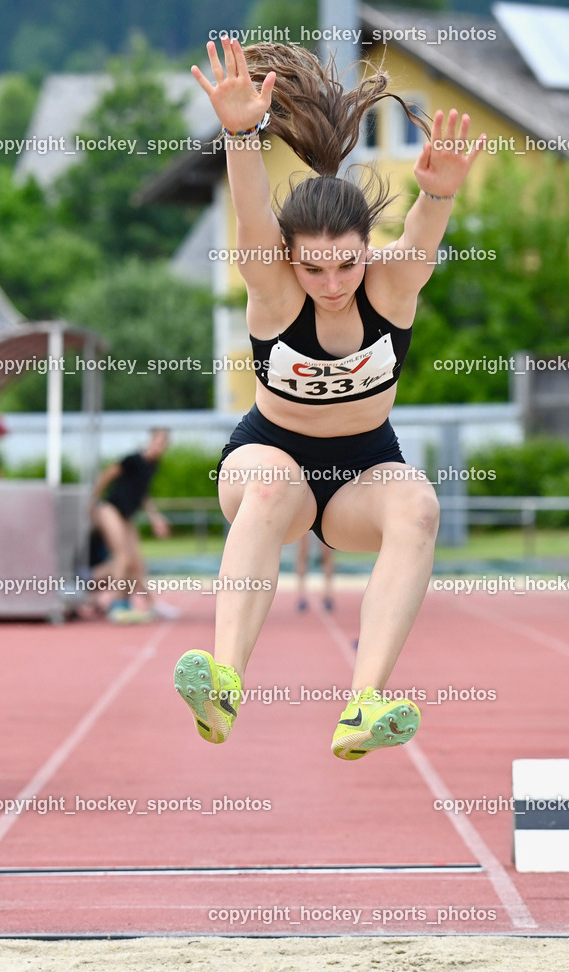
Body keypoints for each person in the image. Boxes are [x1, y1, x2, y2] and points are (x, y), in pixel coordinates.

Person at [174, 39, 485, 758]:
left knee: (418, 506)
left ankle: (363, 705)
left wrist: (437, 191)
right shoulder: (274, 287)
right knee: (269, 484)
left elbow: (420, 234)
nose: (332, 281)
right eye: (313, 266)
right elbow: (252, 216)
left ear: (365, 248)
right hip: (268, 454)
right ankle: (222, 683)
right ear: (289, 259)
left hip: (362, 470)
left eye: (346, 262)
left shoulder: (391, 284)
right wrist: (238, 133)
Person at [90, 428, 177, 622]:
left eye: (164, 443)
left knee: (137, 562)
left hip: (127, 516)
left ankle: (150, 603)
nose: (160, 446)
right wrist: (92, 502)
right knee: (123, 557)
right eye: (158, 441)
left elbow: (142, 493)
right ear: (151, 440)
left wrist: (155, 518)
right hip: (111, 510)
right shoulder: (133, 459)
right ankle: (118, 604)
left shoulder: (152, 465)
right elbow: (108, 474)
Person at [296, 531, 334, 612]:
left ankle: (328, 594)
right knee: (303, 550)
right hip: (304, 518)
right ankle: (301, 595)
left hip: (323, 518)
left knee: (326, 551)